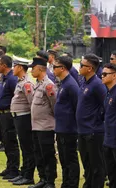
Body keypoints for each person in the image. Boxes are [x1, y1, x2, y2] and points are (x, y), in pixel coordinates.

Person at [77, 53, 107, 188]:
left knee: (96, 164)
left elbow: (106, 105)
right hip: (82, 129)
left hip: (93, 130)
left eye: (82, 65)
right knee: (87, 162)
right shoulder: (84, 81)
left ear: (90, 68)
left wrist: (96, 121)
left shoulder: (98, 84)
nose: (79, 67)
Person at [29, 57, 57, 188]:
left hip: (46, 126)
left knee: (47, 155)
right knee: (38, 154)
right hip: (36, 126)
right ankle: (43, 179)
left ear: (40, 69)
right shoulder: (37, 84)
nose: (31, 71)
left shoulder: (48, 85)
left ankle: (50, 181)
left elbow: (54, 105)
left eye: (33, 69)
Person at [53, 55, 80, 188]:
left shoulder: (71, 84)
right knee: (64, 158)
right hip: (61, 127)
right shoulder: (64, 83)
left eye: (55, 67)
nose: (52, 69)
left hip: (69, 128)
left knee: (70, 158)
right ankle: (66, 182)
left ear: (62, 68)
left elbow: (77, 107)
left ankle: (72, 184)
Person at [8, 56, 35, 186]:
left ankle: (28, 175)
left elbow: (32, 104)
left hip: (25, 117)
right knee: (23, 147)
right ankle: (24, 173)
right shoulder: (20, 82)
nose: (13, 69)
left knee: (27, 147)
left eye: (15, 66)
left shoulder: (27, 83)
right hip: (19, 117)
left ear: (20, 67)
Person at [0, 55, 20, 180]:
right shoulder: (5, 78)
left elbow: (16, 97)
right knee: (6, 142)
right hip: (2, 114)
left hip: (8, 114)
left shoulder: (11, 79)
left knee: (11, 142)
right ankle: (9, 167)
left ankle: (14, 169)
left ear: (4, 65)